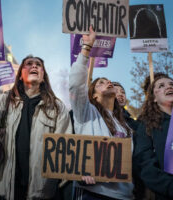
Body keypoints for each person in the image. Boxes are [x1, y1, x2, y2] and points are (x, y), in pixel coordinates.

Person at [0, 55, 72, 199]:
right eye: (29, 64)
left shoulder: (57, 107)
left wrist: (59, 184)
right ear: (19, 76)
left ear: (43, 76)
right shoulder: (4, 101)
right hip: (8, 189)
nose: (34, 66)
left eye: (38, 65)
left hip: (43, 191)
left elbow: (65, 147)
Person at [69, 27, 133, 200]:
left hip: (123, 195)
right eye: (101, 83)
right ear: (93, 95)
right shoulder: (86, 113)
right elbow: (76, 85)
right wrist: (86, 49)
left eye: (109, 81)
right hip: (93, 192)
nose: (108, 83)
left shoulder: (125, 126)